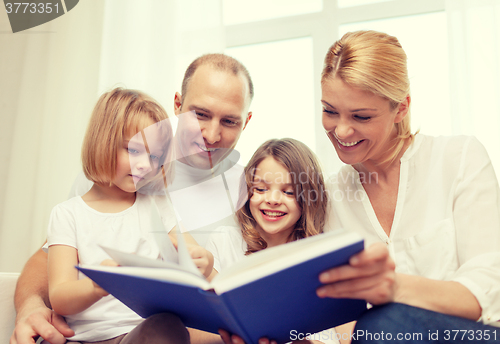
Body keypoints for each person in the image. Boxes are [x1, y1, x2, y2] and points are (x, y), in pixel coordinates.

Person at [11, 54, 253, 344]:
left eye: (229, 121)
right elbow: (49, 259)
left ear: (246, 122)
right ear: (177, 105)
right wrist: (30, 306)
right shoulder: (111, 181)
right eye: (200, 114)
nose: (212, 134)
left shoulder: (257, 192)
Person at [317, 30, 500, 343]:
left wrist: (396, 288)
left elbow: (487, 288)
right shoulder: (330, 197)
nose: (341, 130)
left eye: (361, 116)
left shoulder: (459, 158)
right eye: (330, 111)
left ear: (401, 108)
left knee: (381, 323)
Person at [45, 87, 199, 343]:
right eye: (134, 150)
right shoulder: (67, 214)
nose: (145, 165)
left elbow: (190, 251)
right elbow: (59, 297)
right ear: (102, 142)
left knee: (168, 326)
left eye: (154, 156)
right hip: (83, 339)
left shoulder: (158, 207)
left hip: (140, 335)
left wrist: (198, 260)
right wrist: (97, 285)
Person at [207, 138, 338, 344]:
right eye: (260, 189)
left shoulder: (326, 259)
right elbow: (193, 332)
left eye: (289, 192)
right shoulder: (223, 242)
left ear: (308, 197)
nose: (273, 199)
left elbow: (349, 336)